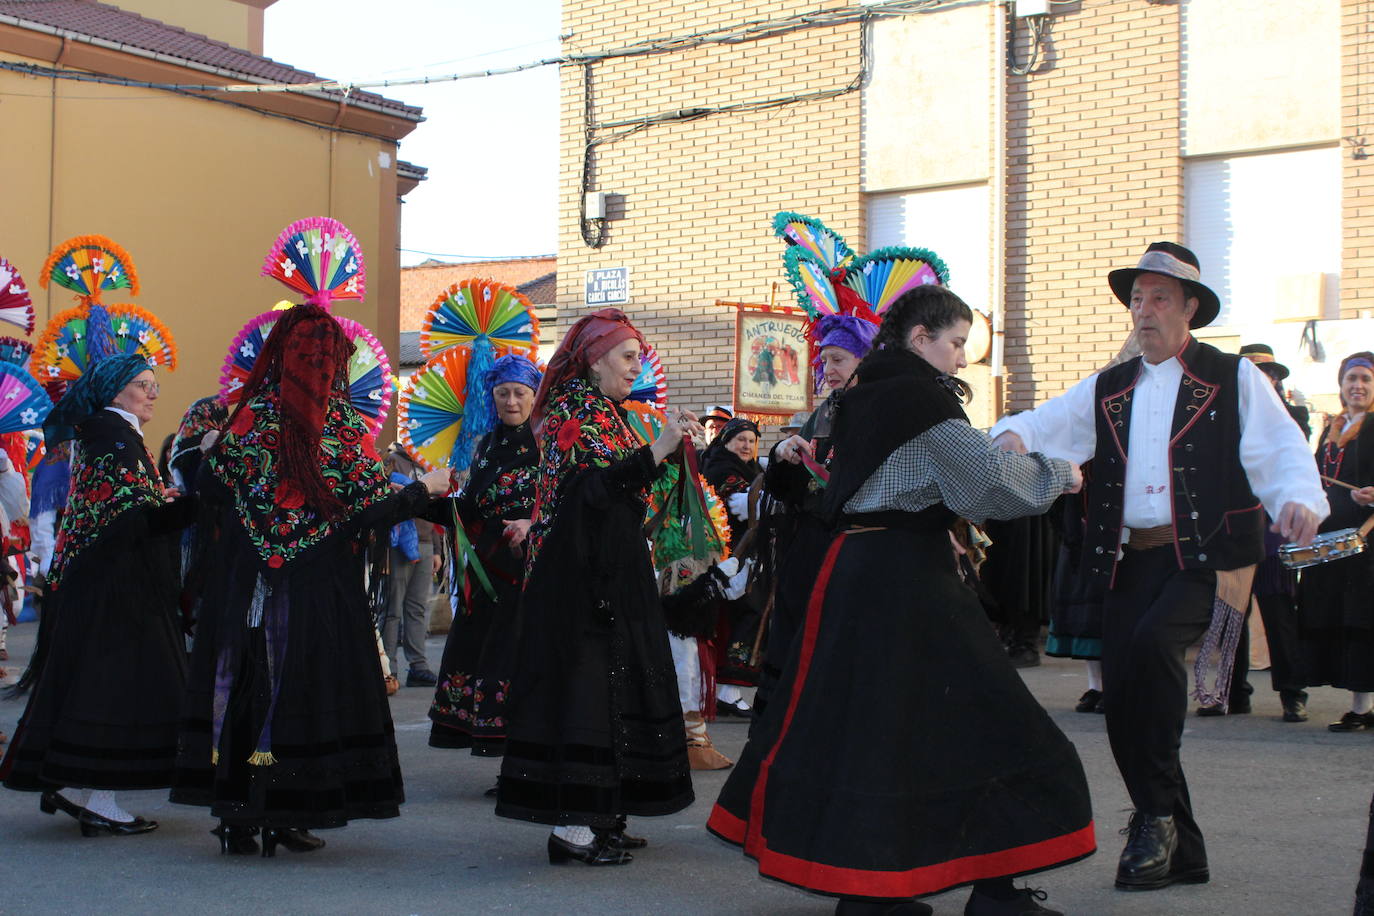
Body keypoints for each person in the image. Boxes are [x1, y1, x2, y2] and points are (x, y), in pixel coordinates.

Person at [710, 285, 1094, 916]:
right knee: (990, 719)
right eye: (956, 342)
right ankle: (982, 894)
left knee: (873, 734)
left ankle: (880, 896)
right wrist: (1060, 474)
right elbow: (987, 487)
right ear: (922, 339)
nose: (962, 358)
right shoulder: (918, 399)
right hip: (903, 578)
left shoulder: (859, 395)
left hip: (856, 573)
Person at [990, 242, 1325, 892]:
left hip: (1203, 559)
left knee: (1149, 651)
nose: (1143, 311)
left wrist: (1300, 501)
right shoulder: (1111, 386)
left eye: (1159, 298)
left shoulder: (1232, 377)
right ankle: (1180, 842)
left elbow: (1279, 449)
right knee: (1122, 702)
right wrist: (1013, 434)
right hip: (1126, 561)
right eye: (1137, 299)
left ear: (1190, 309)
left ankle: (1150, 817)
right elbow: (1048, 421)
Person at [170, 305, 449, 856]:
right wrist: (425, 491)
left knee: (250, 684)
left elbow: (212, 487)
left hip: (248, 584)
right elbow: (370, 512)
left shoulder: (249, 417)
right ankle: (287, 811)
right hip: (318, 587)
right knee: (303, 690)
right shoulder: (340, 425)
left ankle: (238, 815)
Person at [496, 308, 695, 867]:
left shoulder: (610, 414)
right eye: (628, 357)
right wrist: (657, 450)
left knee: (617, 684)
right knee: (583, 691)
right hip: (578, 578)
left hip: (615, 567)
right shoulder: (572, 411)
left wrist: (668, 452)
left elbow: (624, 491)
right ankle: (573, 828)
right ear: (595, 357)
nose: (637, 367)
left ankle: (606, 813)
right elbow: (589, 493)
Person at [1, 355, 193, 837]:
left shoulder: (109, 432)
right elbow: (129, 513)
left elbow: (121, 502)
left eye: (155, 385)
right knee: (120, 685)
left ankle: (68, 783)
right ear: (115, 391)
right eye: (142, 385)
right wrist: (196, 506)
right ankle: (100, 798)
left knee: (91, 680)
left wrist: (159, 500)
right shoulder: (112, 433)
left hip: (101, 580)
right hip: (116, 586)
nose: (152, 393)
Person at [429, 353, 541, 758]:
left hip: (531, 573)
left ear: (535, 396)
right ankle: (505, 755)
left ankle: (525, 757)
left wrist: (533, 525)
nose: (511, 402)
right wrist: (421, 497)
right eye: (502, 393)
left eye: (520, 393)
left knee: (517, 657)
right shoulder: (486, 446)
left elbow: (564, 504)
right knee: (484, 654)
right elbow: (471, 510)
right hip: (486, 571)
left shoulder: (548, 444)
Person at [1297, 352, 1374, 732]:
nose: (1357, 386)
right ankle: (1361, 705)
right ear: (1341, 386)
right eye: (1351, 379)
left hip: (1366, 543)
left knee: (1363, 619)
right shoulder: (1333, 427)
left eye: (1365, 379)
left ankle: (1362, 709)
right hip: (1333, 543)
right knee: (1339, 617)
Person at [701, 416, 764, 712]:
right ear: (726, 440)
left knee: (744, 615)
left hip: (745, 556)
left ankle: (726, 689)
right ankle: (726, 689)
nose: (746, 446)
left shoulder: (752, 468)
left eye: (752, 441)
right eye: (741, 439)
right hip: (727, 556)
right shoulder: (721, 467)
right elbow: (742, 506)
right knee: (742, 614)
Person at [380, 447, 440, 688]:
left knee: (416, 608)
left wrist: (437, 549)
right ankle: (389, 667)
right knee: (393, 608)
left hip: (426, 541)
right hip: (401, 543)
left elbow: (435, 510)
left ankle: (418, 665)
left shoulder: (426, 462)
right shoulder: (393, 461)